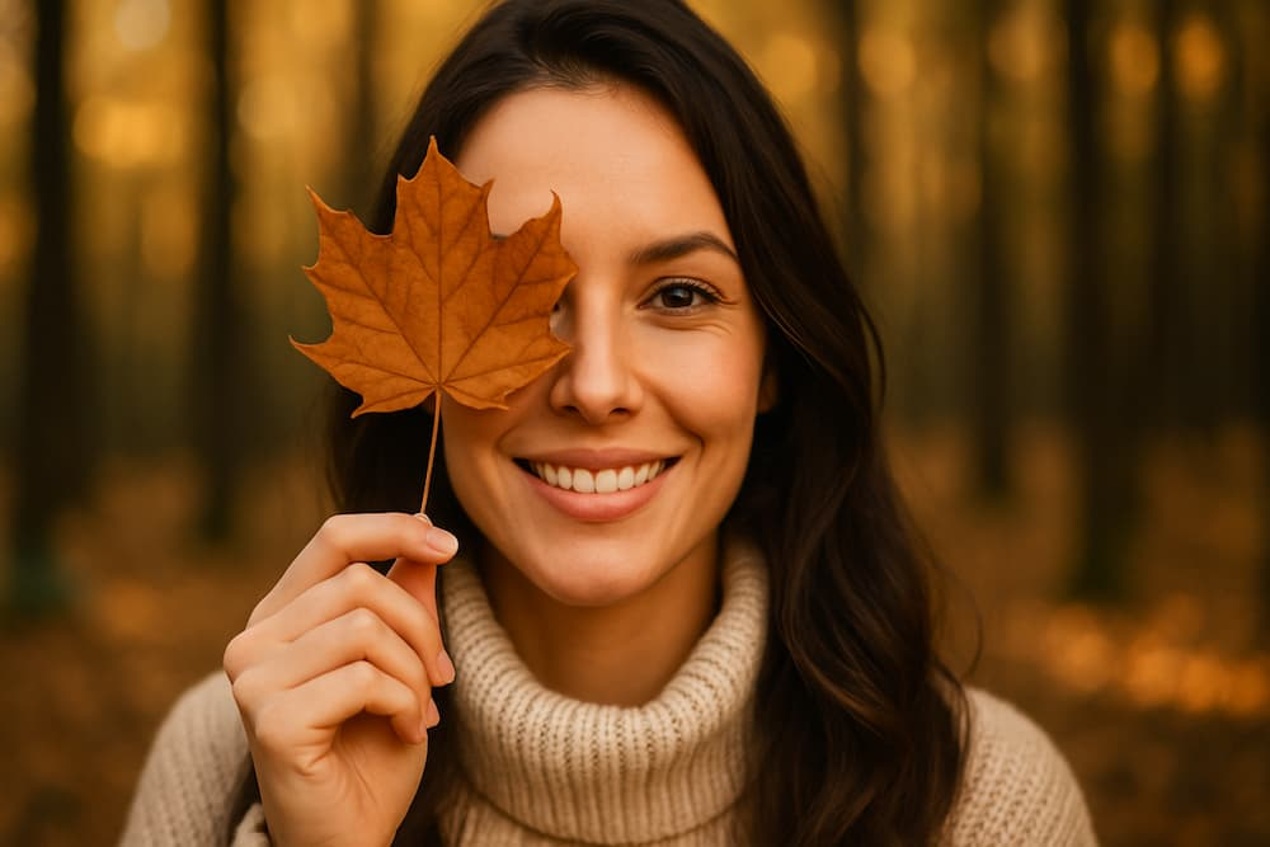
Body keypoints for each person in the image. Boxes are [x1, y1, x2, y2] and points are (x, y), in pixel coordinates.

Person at [121, 0, 1097, 844]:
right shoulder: (233, 756)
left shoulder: (982, 800)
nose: (594, 385)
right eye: (520, 299)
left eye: (678, 295)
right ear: (416, 344)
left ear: (775, 360)